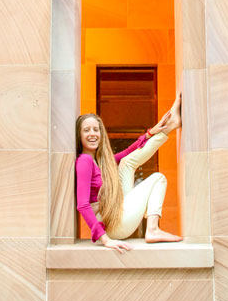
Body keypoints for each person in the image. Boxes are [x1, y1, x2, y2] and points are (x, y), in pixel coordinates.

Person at [75, 93, 183, 252]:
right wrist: (105, 240)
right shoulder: (84, 161)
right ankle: (152, 229)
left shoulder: (101, 162)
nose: (92, 133)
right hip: (112, 225)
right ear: (79, 135)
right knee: (158, 178)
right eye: (86, 130)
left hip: (116, 215)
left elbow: (127, 153)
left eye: (96, 129)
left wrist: (150, 133)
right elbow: (82, 205)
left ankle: (171, 125)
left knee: (125, 163)